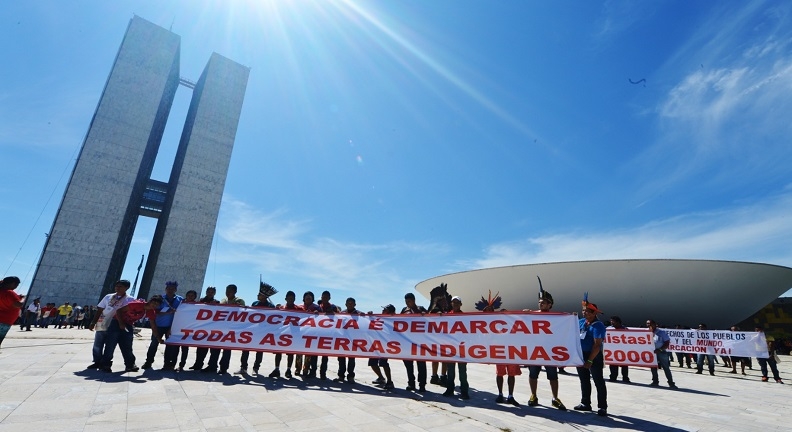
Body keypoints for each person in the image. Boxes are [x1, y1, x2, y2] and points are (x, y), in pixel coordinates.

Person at [523, 279, 566, 410]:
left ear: (550, 304)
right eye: (539, 302)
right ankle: (533, 395)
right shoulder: (532, 314)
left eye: (543, 302)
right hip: (535, 351)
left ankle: (555, 398)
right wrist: (523, 314)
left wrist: (572, 318)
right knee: (533, 375)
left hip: (550, 352)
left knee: (553, 376)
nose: (540, 304)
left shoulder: (556, 317)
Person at [102, 295, 163, 373]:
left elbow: (153, 326)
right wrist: (121, 323)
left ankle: (130, 365)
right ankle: (105, 365)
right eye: (154, 303)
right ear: (150, 301)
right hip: (116, 322)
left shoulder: (151, 312)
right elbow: (119, 311)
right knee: (111, 344)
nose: (154, 305)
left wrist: (158, 338)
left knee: (127, 345)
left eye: (157, 304)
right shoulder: (137, 304)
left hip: (128, 324)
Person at [575, 293, 608, 417]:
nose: (584, 313)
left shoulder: (598, 326)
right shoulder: (581, 322)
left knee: (598, 381)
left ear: (594, 313)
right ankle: (585, 403)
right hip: (581, 354)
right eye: (583, 311)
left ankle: (602, 407)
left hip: (594, 355)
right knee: (584, 380)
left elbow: (597, 345)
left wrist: (589, 361)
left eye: (587, 311)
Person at [88, 280, 132, 370]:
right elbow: (100, 309)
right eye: (116, 286)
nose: (117, 288)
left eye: (120, 286)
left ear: (127, 288)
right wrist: (93, 322)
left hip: (116, 324)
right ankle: (97, 361)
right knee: (98, 343)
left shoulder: (130, 299)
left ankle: (106, 363)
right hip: (103, 321)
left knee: (110, 345)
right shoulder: (108, 296)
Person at [142, 280, 184, 371]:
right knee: (154, 344)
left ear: (175, 290)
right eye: (168, 288)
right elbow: (154, 310)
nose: (170, 290)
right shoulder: (160, 298)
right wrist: (167, 312)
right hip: (159, 325)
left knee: (170, 346)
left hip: (172, 326)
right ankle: (148, 362)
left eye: (172, 289)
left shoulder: (180, 299)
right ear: (165, 289)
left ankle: (167, 364)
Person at [237, 282, 277, 375]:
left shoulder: (270, 306)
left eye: (259, 294)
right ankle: (243, 367)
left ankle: (256, 368)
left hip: (263, 331)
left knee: (259, 351)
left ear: (264, 296)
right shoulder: (254, 303)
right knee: (245, 349)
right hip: (252, 330)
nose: (257, 295)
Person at [205, 284, 244, 374]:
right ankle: (212, 366)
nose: (228, 292)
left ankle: (223, 368)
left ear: (235, 292)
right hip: (220, 327)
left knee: (226, 350)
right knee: (214, 348)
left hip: (231, 329)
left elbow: (243, 313)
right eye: (227, 290)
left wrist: (238, 307)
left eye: (230, 291)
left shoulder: (239, 301)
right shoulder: (223, 300)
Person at [443, 296, 470, 400]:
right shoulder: (446, 316)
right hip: (451, 347)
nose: (455, 304)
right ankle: (450, 389)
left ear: (461, 304)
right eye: (454, 302)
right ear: (451, 303)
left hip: (461, 348)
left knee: (462, 371)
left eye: (457, 302)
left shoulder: (464, 317)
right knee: (450, 371)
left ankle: (464, 391)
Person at [401, 292, 428, 392]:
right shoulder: (404, 310)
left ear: (414, 300)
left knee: (421, 365)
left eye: (409, 301)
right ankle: (411, 383)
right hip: (407, 342)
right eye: (406, 301)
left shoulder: (421, 309)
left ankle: (422, 384)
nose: (407, 303)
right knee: (408, 365)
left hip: (420, 342)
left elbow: (431, 319)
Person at [272, 290, 303, 379]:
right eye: (289, 298)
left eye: (292, 298)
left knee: (290, 353)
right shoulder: (281, 308)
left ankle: (288, 370)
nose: (290, 300)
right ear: (286, 299)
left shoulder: (299, 309)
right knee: (278, 352)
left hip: (293, 334)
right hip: (282, 333)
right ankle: (276, 369)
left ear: (294, 299)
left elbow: (307, 317)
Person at [189, 287, 220, 370]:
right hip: (202, 327)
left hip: (212, 328)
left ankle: (212, 365)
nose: (210, 293)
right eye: (209, 292)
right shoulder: (201, 301)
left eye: (212, 292)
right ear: (206, 292)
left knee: (213, 349)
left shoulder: (217, 302)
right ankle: (198, 364)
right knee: (200, 348)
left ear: (214, 293)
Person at [427, 283, 451, 386]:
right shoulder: (435, 310)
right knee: (438, 359)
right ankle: (437, 376)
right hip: (437, 338)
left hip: (444, 338)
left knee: (442, 359)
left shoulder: (446, 310)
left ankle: (440, 376)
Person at [368, 304, 395, 390]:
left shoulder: (393, 321)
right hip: (377, 344)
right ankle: (381, 378)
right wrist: (370, 317)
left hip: (386, 345)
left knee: (383, 363)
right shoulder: (378, 319)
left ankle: (390, 381)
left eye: (385, 310)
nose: (383, 311)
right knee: (372, 362)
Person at [315, 290, 341, 380]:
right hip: (317, 333)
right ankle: (313, 371)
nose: (324, 298)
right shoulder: (318, 307)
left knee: (325, 356)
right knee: (314, 354)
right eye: (323, 297)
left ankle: (323, 373)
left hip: (328, 334)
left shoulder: (333, 307)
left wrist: (334, 314)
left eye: (326, 297)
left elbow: (340, 317)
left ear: (329, 298)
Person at [335, 297, 360, 383]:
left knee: (351, 359)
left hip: (353, 340)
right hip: (343, 339)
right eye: (348, 303)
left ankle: (351, 376)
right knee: (341, 358)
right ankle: (341, 375)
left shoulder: (359, 314)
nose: (350, 304)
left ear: (355, 304)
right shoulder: (342, 314)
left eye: (351, 303)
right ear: (345, 304)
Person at [647, 319, 677, 388]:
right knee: (653, 367)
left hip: (661, 352)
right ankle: (655, 381)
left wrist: (660, 349)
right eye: (647, 324)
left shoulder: (661, 332)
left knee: (666, 368)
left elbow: (667, 343)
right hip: (652, 353)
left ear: (654, 324)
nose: (649, 325)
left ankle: (671, 383)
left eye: (650, 323)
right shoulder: (646, 332)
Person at [0, 276, 24, 348]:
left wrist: (18, 297)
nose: (16, 287)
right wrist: (23, 299)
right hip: (4, 321)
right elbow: (17, 304)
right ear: (13, 283)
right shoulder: (9, 292)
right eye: (17, 285)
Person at [177, 290, 198, 371]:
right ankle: (171, 364)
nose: (190, 297)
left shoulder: (197, 305)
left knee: (185, 349)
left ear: (195, 297)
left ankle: (181, 365)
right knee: (175, 348)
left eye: (192, 296)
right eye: (189, 295)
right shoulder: (181, 304)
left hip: (189, 329)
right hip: (178, 327)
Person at [607, 316, 630, 383]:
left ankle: (625, 378)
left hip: (623, 350)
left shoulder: (625, 329)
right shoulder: (609, 329)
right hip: (613, 350)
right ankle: (613, 377)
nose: (611, 322)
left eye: (613, 321)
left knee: (624, 365)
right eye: (611, 321)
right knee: (613, 365)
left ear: (618, 322)